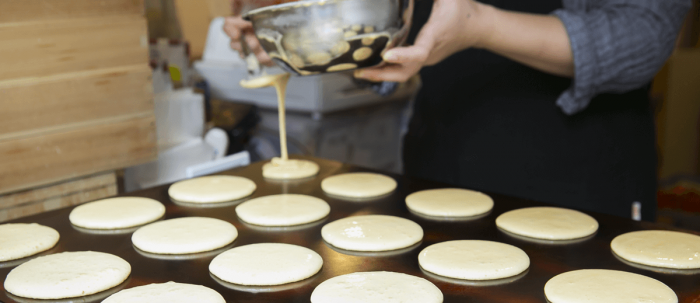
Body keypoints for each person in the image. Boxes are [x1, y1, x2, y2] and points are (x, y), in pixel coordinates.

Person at [225, 0, 691, 220]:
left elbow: (645, 33)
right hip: (439, 165)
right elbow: (392, 31)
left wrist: (481, 25)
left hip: (575, 178)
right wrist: (299, 39)